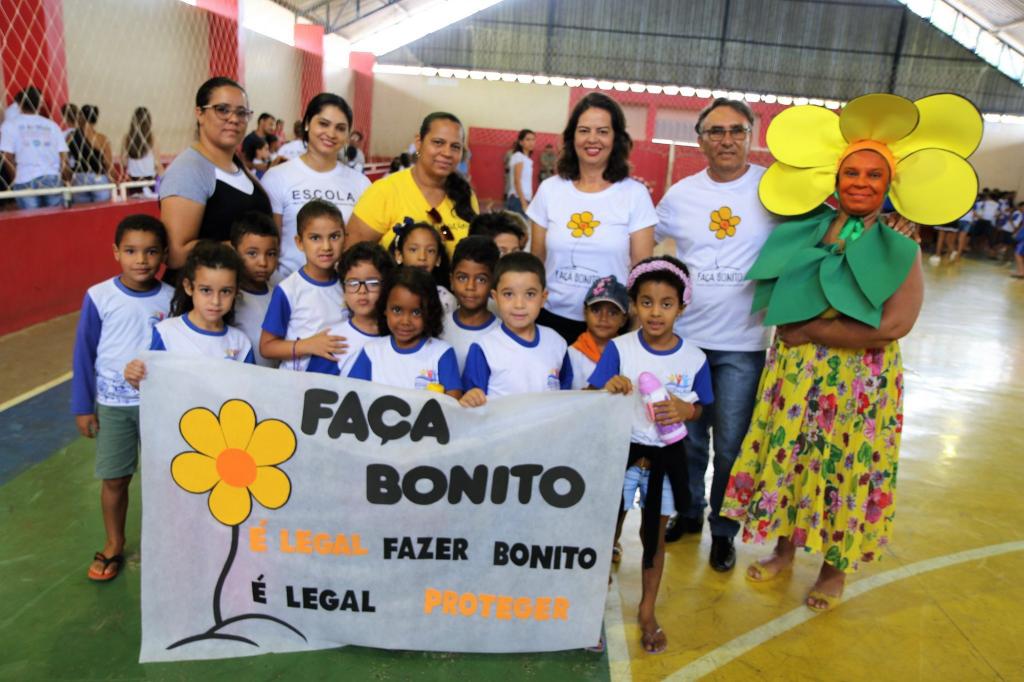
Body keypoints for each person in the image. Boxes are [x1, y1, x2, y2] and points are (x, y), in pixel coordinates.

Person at [721, 92, 980, 611]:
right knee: (795, 458)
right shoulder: (809, 227)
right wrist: (801, 330)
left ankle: (833, 570)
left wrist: (813, 330)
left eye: (874, 175)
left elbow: (895, 325)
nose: (861, 183)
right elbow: (778, 294)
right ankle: (784, 548)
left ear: (890, 184)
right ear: (835, 179)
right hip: (799, 378)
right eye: (851, 173)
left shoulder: (899, 242)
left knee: (845, 469)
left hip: (860, 384)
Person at [653, 98, 776, 568]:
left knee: (730, 445)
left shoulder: (773, 190)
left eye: (736, 130)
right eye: (716, 131)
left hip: (743, 344)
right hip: (686, 343)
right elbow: (641, 241)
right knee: (686, 439)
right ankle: (688, 513)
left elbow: (827, 228)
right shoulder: (680, 195)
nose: (727, 140)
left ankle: (723, 530)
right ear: (700, 140)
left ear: (750, 136)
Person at [588, 255, 713, 654]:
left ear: (682, 306)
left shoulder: (694, 358)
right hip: (621, 455)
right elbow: (591, 395)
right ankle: (591, 610)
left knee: (653, 539)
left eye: (666, 303)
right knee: (606, 533)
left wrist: (686, 410)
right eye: (646, 302)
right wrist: (607, 387)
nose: (655, 312)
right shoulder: (619, 349)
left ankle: (646, 611)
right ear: (634, 304)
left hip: (665, 460)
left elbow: (702, 408)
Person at [71, 215, 173, 582]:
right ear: (116, 252)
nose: (141, 260)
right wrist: (83, 406)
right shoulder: (99, 296)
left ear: (164, 254)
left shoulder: (173, 298)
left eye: (151, 251)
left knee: (166, 479)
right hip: (113, 407)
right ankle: (114, 543)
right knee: (115, 479)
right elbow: (84, 352)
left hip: (160, 406)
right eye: (131, 251)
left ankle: (166, 544)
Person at [528, 92, 656, 344]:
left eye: (603, 131)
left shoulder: (634, 194)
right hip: (551, 319)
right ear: (572, 137)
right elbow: (536, 263)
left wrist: (635, 330)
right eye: (584, 130)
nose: (592, 139)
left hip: (610, 327)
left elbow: (641, 273)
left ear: (616, 138)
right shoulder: (550, 190)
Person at [159, 77, 271, 281]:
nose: (234, 119)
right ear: (200, 114)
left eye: (241, 112)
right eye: (222, 110)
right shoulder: (189, 170)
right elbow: (175, 254)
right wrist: (243, 248)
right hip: (203, 294)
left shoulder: (236, 164)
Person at [261, 93, 371, 277]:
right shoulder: (277, 177)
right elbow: (268, 245)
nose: (331, 134)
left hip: (341, 288)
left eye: (340, 128)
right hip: (288, 286)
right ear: (307, 124)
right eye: (323, 124)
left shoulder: (360, 184)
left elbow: (361, 246)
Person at [345, 112, 478, 258]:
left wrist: (442, 227)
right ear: (419, 142)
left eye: (455, 146)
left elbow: (451, 242)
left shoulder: (465, 194)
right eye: (438, 142)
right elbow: (352, 256)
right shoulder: (385, 191)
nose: (447, 153)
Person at [124, 240, 255, 388]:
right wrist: (137, 379)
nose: (215, 301)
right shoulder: (166, 333)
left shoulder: (241, 343)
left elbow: (248, 394)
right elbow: (154, 387)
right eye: (206, 290)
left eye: (225, 291)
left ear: (236, 291)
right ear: (189, 287)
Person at [460, 252, 573, 405]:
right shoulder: (484, 348)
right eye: (508, 294)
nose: (519, 305)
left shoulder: (557, 343)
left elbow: (566, 399)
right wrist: (471, 397)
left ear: (543, 298)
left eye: (530, 294)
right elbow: (472, 402)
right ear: (495, 297)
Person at [348, 266, 462, 399]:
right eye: (397, 310)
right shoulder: (371, 352)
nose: (405, 321)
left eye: (416, 312)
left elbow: (453, 405)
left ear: (430, 312)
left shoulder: (442, 353)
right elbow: (351, 397)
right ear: (385, 308)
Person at [260, 199, 347, 372]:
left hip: (338, 381)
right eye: (315, 238)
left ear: (345, 238)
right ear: (299, 242)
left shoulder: (349, 284)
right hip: (297, 384)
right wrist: (308, 345)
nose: (326, 246)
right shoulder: (288, 290)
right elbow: (267, 347)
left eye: (334, 236)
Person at [307, 242, 394, 376]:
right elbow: (315, 386)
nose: (362, 291)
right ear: (344, 289)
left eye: (372, 283)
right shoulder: (333, 342)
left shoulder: (399, 334)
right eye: (353, 283)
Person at [0, 86, 69, 210]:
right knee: (54, 218)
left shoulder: (9, 125)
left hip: (25, 179)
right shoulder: (52, 125)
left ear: (19, 104)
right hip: (51, 178)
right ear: (40, 104)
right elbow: (63, 155)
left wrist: (15, 178)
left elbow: (6, 157)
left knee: (31, 219)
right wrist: (64, 177)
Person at [440, 236, 501, 372]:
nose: (470, 287)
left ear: (493, 283)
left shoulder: (502, 332)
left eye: (481, 279)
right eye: (462, 278)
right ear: (451, 281)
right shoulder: (439, 327)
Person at [230, 212, 280, 367]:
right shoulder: (228, 298)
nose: (263, 262)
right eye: (252, 253)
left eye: (271, 254)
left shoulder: (280, 296)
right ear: (234, 252)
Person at [567, 275, 629, 390]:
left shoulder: (628, 352)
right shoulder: (571, 354)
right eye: (596, 310)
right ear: (585, 313)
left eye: (612, 313)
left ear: (623, 319)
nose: (603, 318)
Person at [390, 221, 457, 314]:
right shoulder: (388, 293)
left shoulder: (445, 300)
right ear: (399, 255)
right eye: (413, 250)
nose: (422, 257)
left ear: (438, 259)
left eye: (430, 251)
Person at [67, 104, 113, 204]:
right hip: (98, 178)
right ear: (95, 120)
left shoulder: (71, 137)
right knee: (102, 210)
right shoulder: (101, 138)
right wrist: (112, 179)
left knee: (82, 211)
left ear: (80, 117)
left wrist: (68, 178)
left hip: (79, 178)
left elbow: (66, 161)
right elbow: (108, 163)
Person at [122, 107, 163, 196]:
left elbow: (124, 162)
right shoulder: (152, 139)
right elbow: (157, 164)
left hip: (133, 182)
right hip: (149, 181)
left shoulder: (127, 138)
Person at [506, 129, 536, 216]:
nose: (531, 142)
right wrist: (523, 203)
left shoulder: (527, 159)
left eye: (533, 139)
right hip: (518, 199)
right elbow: (517, 180)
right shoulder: (518, 156)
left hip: (525, 198)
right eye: (528, 139)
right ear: (521, 142)